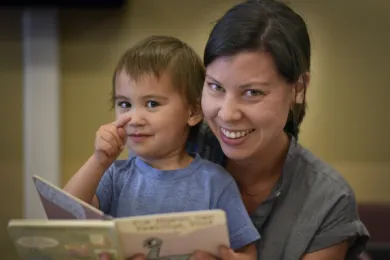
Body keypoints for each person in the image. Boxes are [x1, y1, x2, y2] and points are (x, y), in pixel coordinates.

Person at [103, 1, 370, 260]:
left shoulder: (328, 201)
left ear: (298, 88)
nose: (227, 114)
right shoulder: (171, 143)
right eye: (216, 87)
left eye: (252, 92)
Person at [64, 35, 260, 259]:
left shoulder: (215, 182)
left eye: (152, 104)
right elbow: (65, 218)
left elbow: (247, 253)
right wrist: (98, 161)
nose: (135, 118)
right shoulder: (114, 176)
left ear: (193, 112)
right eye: (125, 104)